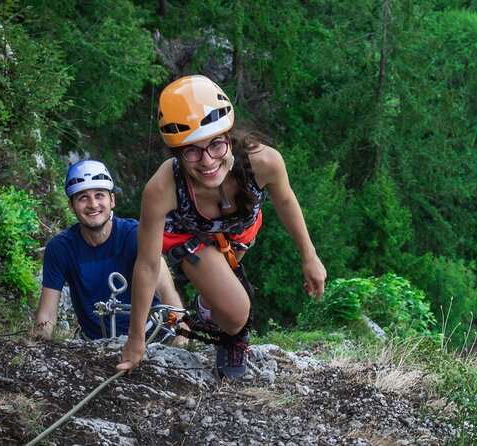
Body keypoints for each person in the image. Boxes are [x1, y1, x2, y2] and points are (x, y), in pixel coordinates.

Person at [117, 75, 326, 379]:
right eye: (192, 151)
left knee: (226, 300)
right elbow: (148, 266)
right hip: (189, 235)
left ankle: (208, 305)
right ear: (177, 154)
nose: (207, 161)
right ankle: (231, 332)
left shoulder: (263, 162)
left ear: (228, 136)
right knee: (237, 312)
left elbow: (285, 201)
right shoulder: (162, 189)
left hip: (239, 232)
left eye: (215, 145)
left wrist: (309, 255)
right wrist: (136, 340)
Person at [32, 160, 188, 345]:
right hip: (93, 345)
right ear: (71, 206)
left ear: (111, 200)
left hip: (150, 339)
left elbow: (166, 293)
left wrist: (181, 339)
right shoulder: (60, 248)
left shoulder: (135, 236)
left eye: (99, 195)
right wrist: (36, 346)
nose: (93, 204)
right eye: (83, 198)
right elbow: (47, 315)